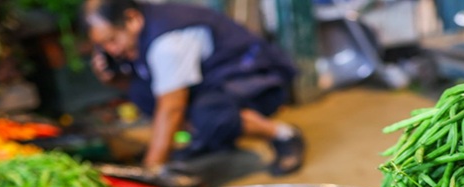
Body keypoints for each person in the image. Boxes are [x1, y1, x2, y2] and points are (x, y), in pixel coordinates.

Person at [82, 0, 306, 176]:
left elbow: (171, 108)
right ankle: (207, 139)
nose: (111, 50)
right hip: (211, 82)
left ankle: (284, 135)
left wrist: (150, 171)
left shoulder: (167, 42)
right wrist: (113, 79)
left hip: (256, 78)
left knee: (209, 117)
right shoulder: (139, 29)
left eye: (112, 40)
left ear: (131, 19)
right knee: (142, 92)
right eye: (103, 45)